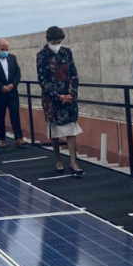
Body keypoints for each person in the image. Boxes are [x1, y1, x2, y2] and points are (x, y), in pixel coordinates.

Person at [37, 26, 84, 177]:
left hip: (68, 97)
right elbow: (42, 80)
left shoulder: (67, 52)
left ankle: (73, 162)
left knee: (71, 129)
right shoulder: (42, 55)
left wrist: (71, 93)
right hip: (52, 99)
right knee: (55, 130)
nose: (57, 44)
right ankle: (58, 159)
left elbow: (73, 74)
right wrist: (57, 96)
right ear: (48, 40)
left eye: (59, 41)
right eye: (54, 41)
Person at [0, 38, 25, 148]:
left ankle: (19, 138)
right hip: (0, 93)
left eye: (6, 49)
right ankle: (1, 138)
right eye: (3, 49)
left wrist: (12, 85)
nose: (5, 51)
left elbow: (18, 73)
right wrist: (1, 86)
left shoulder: (12, 58)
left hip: (12, 92)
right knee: (0, 116)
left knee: (15, 115)